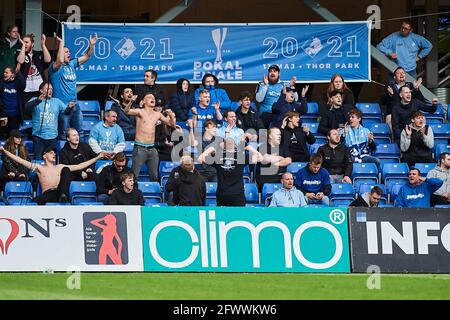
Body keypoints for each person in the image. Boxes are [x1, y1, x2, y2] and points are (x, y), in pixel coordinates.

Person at [0, 145, 105, 205]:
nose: (54, 154)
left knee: (66, 169)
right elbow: (21, 161)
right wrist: (4, 151)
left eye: (54, 153)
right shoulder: (39, 167)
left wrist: (97, 158)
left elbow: (80, 165)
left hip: (60, 192)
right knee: (31, 203)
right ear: (44, 156)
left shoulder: (59, 166)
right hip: (47, 194)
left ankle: (64, 195)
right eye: (51, 153)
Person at [49, 33, 98, 140]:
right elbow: (60, 60)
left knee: (79, 133)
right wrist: (61, 43)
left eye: (69, 52)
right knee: (64, 135)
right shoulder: (54, 67)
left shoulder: (71, 64)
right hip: (63, 107)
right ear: (60, 53)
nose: (69, 53)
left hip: (75, 105)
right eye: (66, 52)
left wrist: (91, 46)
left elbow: (87, 56)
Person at [124, 92, 176, 182]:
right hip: (140, 147)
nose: (153, 99)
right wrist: (131, 101)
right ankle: (134, 194)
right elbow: (126, 111)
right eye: (149, 97)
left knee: (155, 176)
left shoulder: (158, 114)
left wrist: (171, 115)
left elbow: (171, 124)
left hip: (152, 149)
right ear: (144, 101)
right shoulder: (140, 111)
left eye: (154, 98)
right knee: (134, 175)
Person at [198, 138, 260, 207]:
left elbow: (200, 160)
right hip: (237, 194)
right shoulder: (241, 157)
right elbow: (260, 158)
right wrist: (249, 148)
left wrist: (210, 149)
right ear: (235, 146)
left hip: (222, 194)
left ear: (224, 147)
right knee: (239, 217)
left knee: (222, 217)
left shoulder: (218, 157)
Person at [24, 82, 72, 159]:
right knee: (38, 160)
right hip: (38, 137)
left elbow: (66, 112)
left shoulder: (57, 101)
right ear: (41, 90)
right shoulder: (35, 100)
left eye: (51, 89)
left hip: (53, 137)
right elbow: (26, 107)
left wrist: (70, 107)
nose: (50, 91)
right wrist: (38, 100)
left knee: (51, 160)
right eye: (48, 89)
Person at [16, 33, 51, 108]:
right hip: (26, 91)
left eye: (26, 42)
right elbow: (21, 61)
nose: (24, 44)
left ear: (32, 44)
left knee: (40, 110)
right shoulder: (19, 53)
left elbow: (48, 60)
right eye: (23, 42)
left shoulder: (38, 53)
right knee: (27, 111)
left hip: (40, 90)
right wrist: (23, 46)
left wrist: (43, 45)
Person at [0, 66, 25, 137]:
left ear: (12, 74)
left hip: (15, 116)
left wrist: (18, 73)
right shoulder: (2, 82)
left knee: (12, 135)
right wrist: (5, 80)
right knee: (2, 134)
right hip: (3, 115)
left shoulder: (17, 84)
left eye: (7, 72)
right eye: (4, 72)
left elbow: (23, 85)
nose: (4, 74)